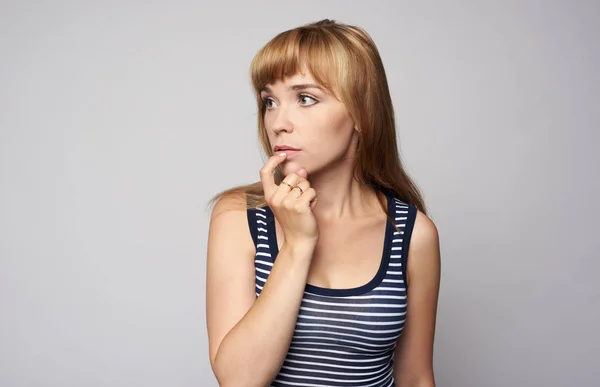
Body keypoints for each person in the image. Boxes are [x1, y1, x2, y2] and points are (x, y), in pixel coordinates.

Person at [205, 18, 441, 387]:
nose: (278, 122)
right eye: (270, 101)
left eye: (305, 98)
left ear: (361, 113)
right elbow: (239, 380)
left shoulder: (411, 234)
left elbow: (415, 377)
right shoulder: (240, 217)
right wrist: (298, 246)